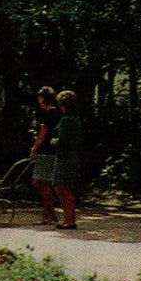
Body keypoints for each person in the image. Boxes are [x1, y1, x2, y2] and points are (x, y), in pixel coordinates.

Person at [51, 89, 82, 229]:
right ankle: (69, 219)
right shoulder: (76, 119)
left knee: (62, 187)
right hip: (73, 156)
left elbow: (62, 141)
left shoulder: (65, 120)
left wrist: (53, 141)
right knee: (67, 188)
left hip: (64, 157)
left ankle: (69, 220)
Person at [29, 86, 60, 224]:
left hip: (46, 150)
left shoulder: (47, 113)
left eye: (40, 97)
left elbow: (43, 131)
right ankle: (48, 214)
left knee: (40, 182)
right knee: (43, 183)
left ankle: (50, 214)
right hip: (52, 150)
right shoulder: (57, 112)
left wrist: (34, 148)